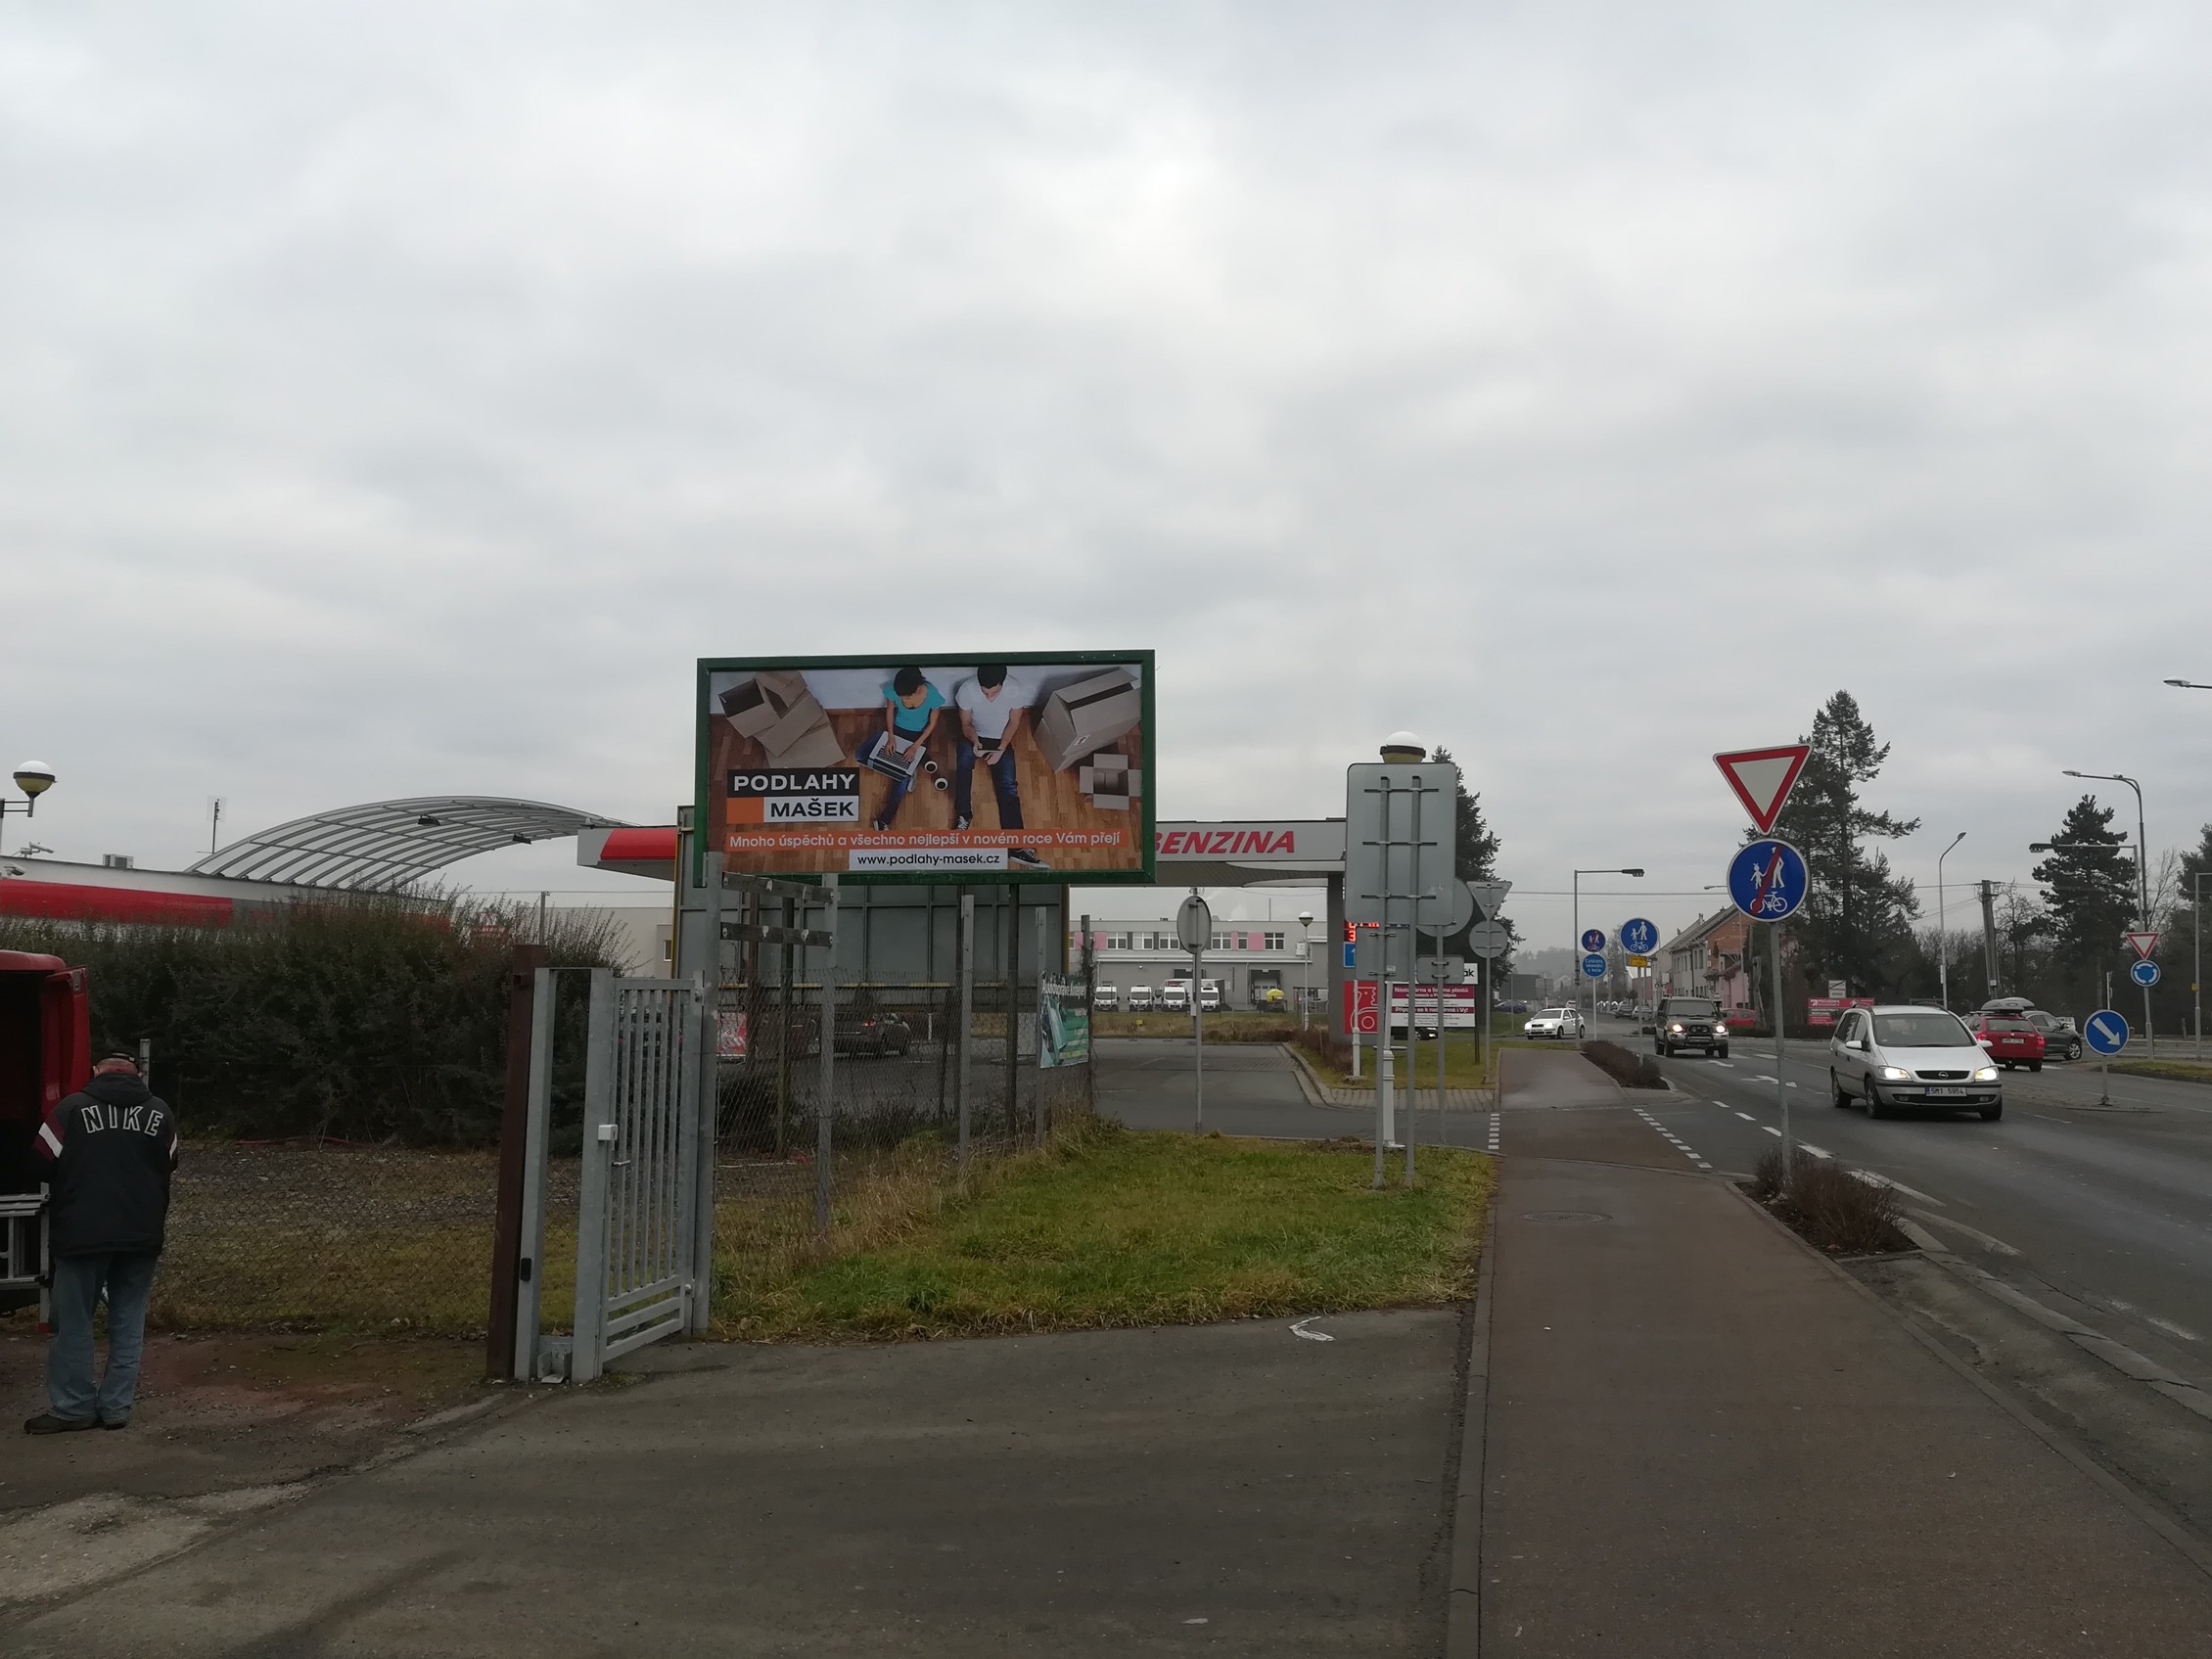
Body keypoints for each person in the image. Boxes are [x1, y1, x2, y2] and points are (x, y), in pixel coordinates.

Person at [24, 1053, 178, 1435]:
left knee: (73, 1322)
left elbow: (39, 1162)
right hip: (141, 1235)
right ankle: (116, 1409)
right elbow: (171, 1161)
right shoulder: (161, 1113)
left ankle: (73, 1407)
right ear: (137, 1074)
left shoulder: (71, 1109)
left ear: (96, 1073)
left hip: (81, 1235)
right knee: (128, 1321)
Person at [952, 664, 1045, 870]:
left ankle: (1016, 846)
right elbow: (966, 724)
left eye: (993, 691)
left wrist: (1002, 749)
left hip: (1000, 740)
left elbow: (1014, 722)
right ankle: (964, 814)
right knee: (963, 767)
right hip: (975, 737)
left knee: (1009, 788)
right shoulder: (967, 690)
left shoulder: (1015, 690)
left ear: (1002, 684)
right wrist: (974, 740)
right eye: (985, 692)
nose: (988, 696)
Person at [857, 666, 945, 831]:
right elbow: (890, 710)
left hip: (918, 735)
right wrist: (890, 737)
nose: (903, 700)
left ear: (918, 688)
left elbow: (933, 723)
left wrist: (915, 746)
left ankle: (885, 820)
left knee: (901, 781)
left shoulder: (932, 695)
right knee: (860, 754)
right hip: (896, 731)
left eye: (906, 697)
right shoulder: (893, 690)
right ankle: (918, 761)